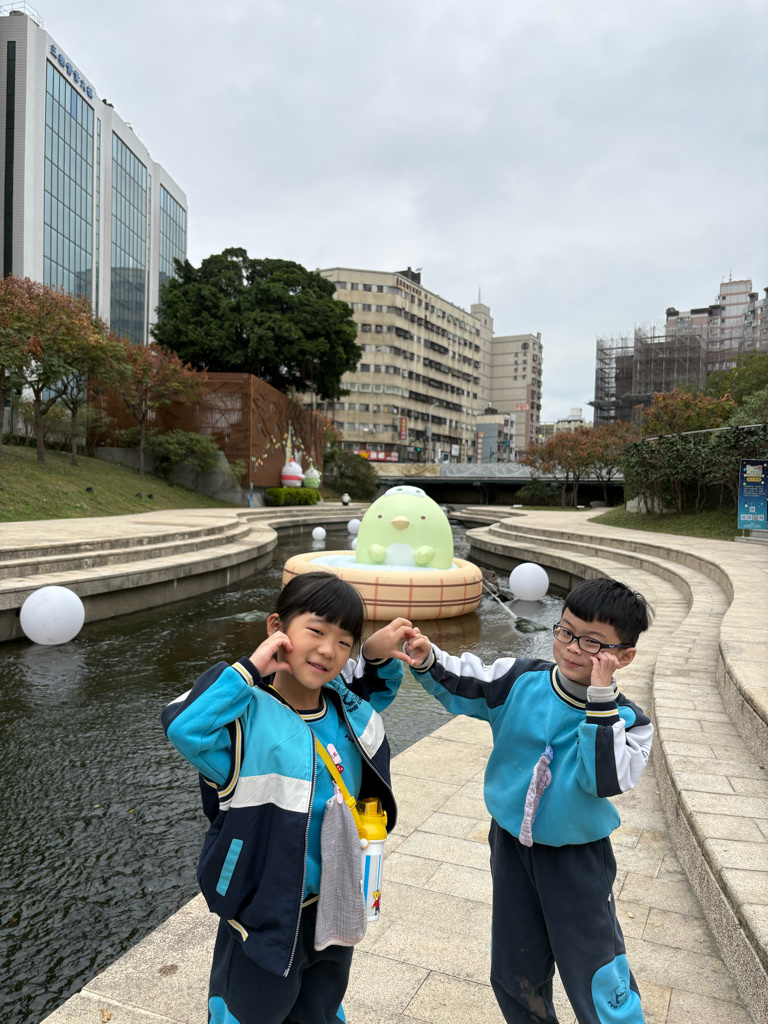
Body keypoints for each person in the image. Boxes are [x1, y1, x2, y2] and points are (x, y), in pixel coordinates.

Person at [162, 571, 418, 1024]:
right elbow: (187, 726)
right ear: (277, 628)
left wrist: (375, 655)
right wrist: (249, 668)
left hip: (334, 898)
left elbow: (376, 690)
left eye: (344, 641)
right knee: (249, 1012)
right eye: (316, 631)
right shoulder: (243, 720)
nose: (328, 650)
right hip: (263, 910)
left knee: (319, 1007)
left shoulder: (346, 709)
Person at [405, 577, 654, 1024]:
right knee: (514, 965)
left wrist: (600, 700)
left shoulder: (629, 721)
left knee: (595, 968)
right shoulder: (520, 679)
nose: (573, 648)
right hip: (510, 845)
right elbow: (465, 681)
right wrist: (427, 658)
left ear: (624, 656)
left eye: (592, 642)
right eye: (566, 631)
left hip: (577, 858)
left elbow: (604, 780)